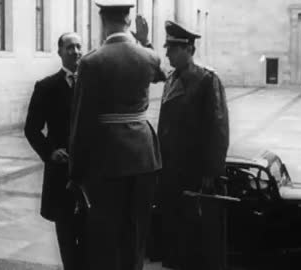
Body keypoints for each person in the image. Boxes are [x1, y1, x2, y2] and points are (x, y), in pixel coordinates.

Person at [67, 1, 165, 269]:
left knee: (106, 236)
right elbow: (160, 74)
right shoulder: (148, 56)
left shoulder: (91, 61)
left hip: (108, 159)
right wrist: (145, 41)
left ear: (103, 21)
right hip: (145, 157)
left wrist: (75, 173)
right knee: (136, 233)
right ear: (129, 21)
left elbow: (81, 122)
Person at [156, 20, 230, 270]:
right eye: (167, 47)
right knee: (173, 227)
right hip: (170, 169)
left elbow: (218, 129)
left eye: (173, 48)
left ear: (189, 49)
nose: (167, 53)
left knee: (194, 233)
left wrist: (211, 171)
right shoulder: (171, 78)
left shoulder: (207, 80)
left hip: (194, 171)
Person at [25, 32, 83, 270]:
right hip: (61, 174)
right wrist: (50, 152)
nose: (76, 51)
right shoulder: (46, 87)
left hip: (89, 173)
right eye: (70, 47)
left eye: (79, 46)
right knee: (67, 239)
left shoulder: (92, 86)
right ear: (59, 52)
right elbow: (31, 128)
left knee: (90, 236)